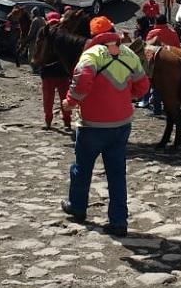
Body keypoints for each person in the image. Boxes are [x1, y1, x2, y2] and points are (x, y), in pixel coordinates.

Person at [60, 17, 150, 237]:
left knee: (82, 168)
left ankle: (78, 207)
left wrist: (70, 103)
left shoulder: (91, 55)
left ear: (93, 35)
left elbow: (81, 82)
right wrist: (126, 97)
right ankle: (119, 221)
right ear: (113, 31)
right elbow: (143, 85)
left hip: (92, 124)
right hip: (121, 125)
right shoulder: (128, 54)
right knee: (117, 173)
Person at [38, 12, 72, 131]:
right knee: (65, 99)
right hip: (63, 72)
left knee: (48, 99)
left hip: (47, 73)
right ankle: (67, 122)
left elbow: (38, 51)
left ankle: (48, 122)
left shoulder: (43, 32)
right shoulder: (65, 34)